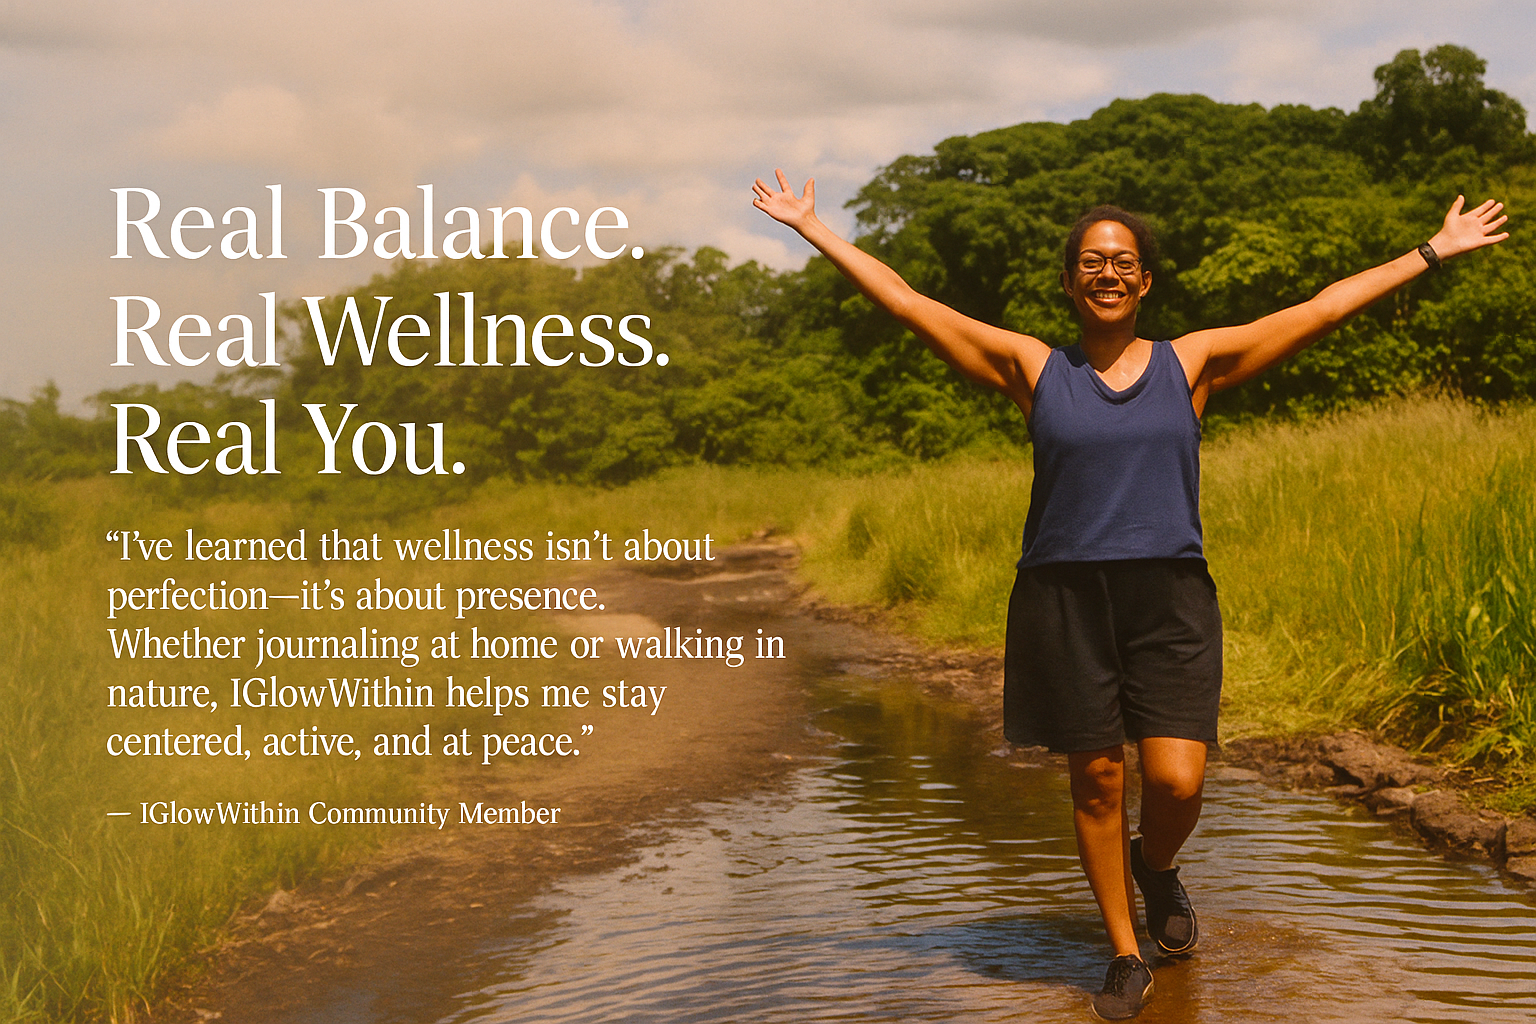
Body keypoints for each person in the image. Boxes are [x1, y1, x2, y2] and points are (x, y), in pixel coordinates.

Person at [751, 168, 1509, 1019]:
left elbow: (1323, 308)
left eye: (1121, 262)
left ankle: (1156, 868)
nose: (1106, 273)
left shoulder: (1193, 363)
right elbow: (908, 302)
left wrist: (1431, 253)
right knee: (1098, 781)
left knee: (1178, 781)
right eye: (1089, 262)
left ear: (1145, 280)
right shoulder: (1034, 369)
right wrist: (813, 229)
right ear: (1070, 281)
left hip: (1169, 595)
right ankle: (1121, 951)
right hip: (1064, 598)